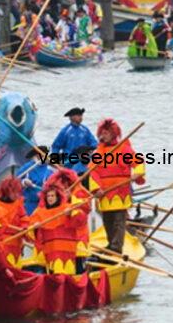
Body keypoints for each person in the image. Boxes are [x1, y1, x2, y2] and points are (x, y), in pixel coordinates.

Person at [89, 118, 145, 254]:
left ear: (113, 133)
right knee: (107, 221)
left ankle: (116, 246)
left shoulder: (124, 149)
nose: (104, 136)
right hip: (105, 193)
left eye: (106, 133)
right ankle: (111, 243)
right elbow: (93, 173)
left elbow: (139, 163)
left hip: (120, 192)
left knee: (119, 221)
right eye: (102, 133)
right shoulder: (98, 153)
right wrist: (96, 189)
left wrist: (136, 174)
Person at [25, 179, 89, 275]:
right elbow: (30, 231)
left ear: (57, 196)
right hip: (51, 251)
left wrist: (71, 213)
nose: (50, 198)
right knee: (53, 273)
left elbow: (81, 220)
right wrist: (35, 227)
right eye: (48, 196)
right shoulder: (39, 212)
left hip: (67, 250)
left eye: (52, 196)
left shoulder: (67, 208)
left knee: (68, 273)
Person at [0, 176, 28, 268]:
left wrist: (24, 228)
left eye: (18, 192)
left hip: (16, 244)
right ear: (6, 191)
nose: (17, 195)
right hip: (1, 244)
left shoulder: (18, 204)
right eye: (14, 192)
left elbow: (24, 219)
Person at [50, 107, 98, 175]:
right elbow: (56, 146)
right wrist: (56, 159)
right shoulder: (65, 131)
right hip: (69, 161)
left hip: (83, 159)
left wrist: (90, 149)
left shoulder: (85, 129)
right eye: (78, 115)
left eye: (81, 115)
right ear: (71, 117)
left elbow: (94, 143)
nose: (81, 117)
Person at [17, 146, 56, 215]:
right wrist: (24, 182)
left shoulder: (51, 168)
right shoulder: (27, 167)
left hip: (45, 204)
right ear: (36, 156)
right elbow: (15, 182)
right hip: (29, 204)